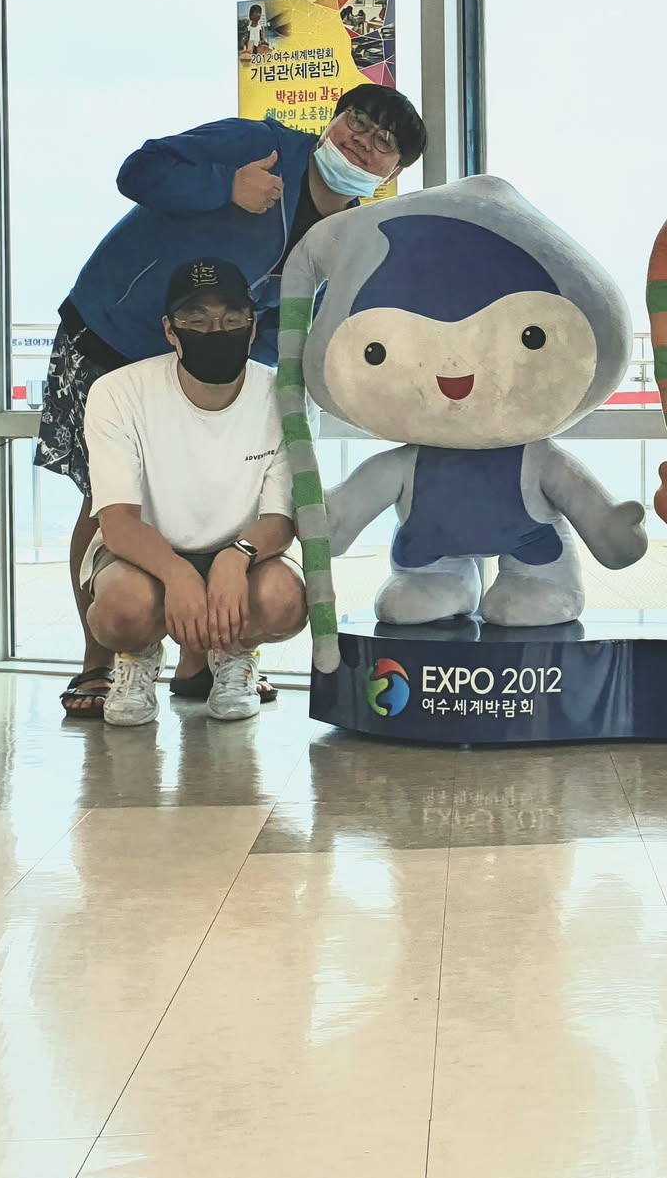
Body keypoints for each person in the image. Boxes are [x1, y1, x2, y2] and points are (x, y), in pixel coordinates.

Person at [37, 83, 426, 716]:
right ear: (333, 119)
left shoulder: (342, 236)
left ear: (391, 174)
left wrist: (248, 378)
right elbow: (138, 171)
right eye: (359, 121)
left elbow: (289, 317)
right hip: (114, 334)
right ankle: (101, 663)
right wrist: (224, 186)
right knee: (104, 498)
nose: (364, 141)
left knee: (214, 490)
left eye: (385, 143)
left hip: (215, 359)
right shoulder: (258, 145)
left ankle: (207, 659)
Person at [83, 258, 306, 726]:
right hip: (144, 557)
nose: (215, 330)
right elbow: (118, 523)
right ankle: (137, 657)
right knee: (122, 609)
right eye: (196, 320)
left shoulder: (284, 398)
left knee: (285, 601)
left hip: (243, 553)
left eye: (231, 319)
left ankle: (235, 655)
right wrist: (177, 573)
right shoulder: (118, 392)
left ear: (252, 326)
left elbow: (280, 519)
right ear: (170, 329)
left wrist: (235, 557)